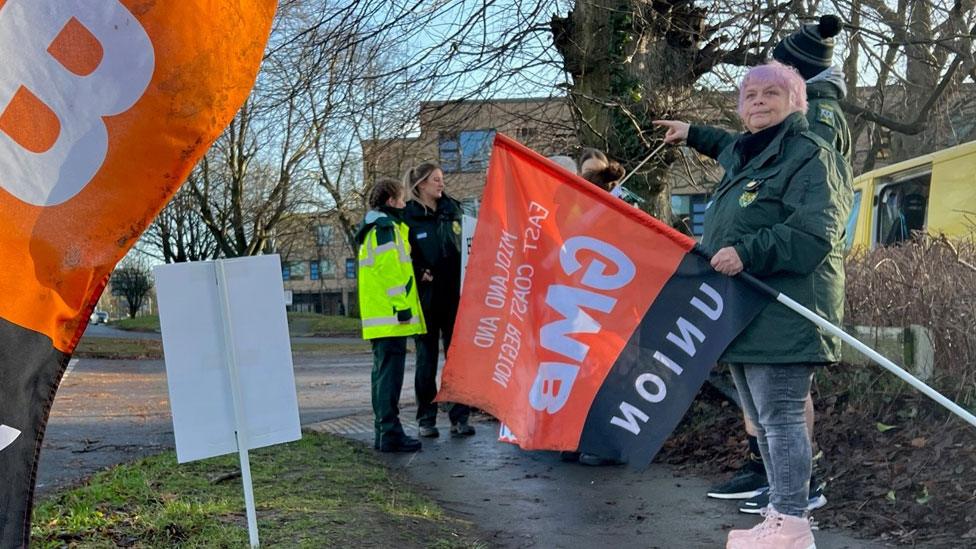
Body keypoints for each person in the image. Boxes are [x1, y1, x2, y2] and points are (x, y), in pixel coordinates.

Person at [656, 61, 853, 548]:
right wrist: (691, 132)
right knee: (763, 420)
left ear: (796, 102)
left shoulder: (810, 154)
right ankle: (779, 514)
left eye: (771, 94)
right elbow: (724, 144)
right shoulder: (750, 153)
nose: (759, 102)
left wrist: (747, 251)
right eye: (750, 97)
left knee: (781, 416)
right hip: (744, 310)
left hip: (785, 308)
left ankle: (792, 525)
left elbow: (815, 231)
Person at [403, 162, 475, 438]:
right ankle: (426, 418)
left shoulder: (453, 210)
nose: (441, 184)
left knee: (457, 359)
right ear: (421, 184)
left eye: (442, 179)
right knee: (426, 360)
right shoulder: (408, 216)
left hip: (455, 296)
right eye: (435, 179)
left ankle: (460, 416)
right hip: (426, 300)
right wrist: (419, 271)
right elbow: (401, 256)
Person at [356, 178, 426, 453]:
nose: (405, 203)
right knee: (389, 377)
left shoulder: (374, 228)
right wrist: (402, 306)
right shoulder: (386, 229)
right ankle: (390, 433)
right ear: (390, 201)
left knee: (382, 375)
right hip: (391, 317)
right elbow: (390, 272)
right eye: (400, 198)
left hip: (381, 317)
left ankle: (384, 432)